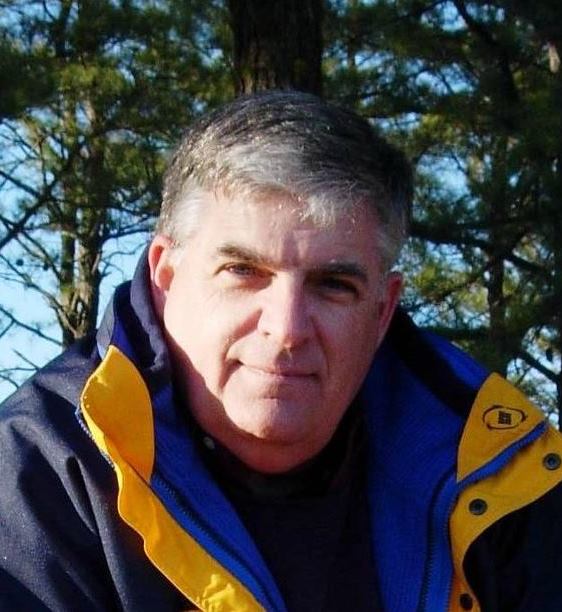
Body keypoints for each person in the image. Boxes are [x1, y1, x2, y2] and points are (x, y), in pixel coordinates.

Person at [0, 91, 561, 612]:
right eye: (243, 271)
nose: (287, 329)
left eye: (333, 285)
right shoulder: (39, 473)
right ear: (166, 275)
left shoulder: (498, 469)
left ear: (382, 310)